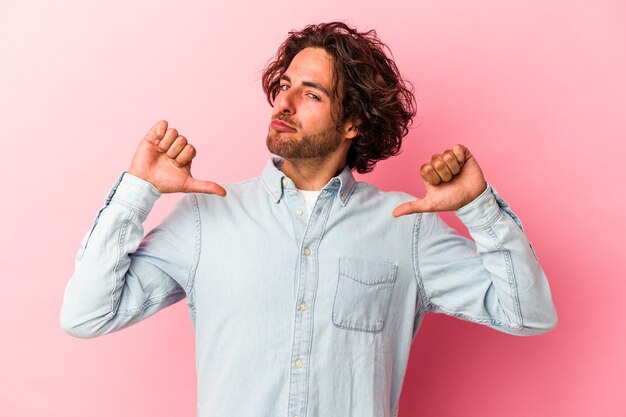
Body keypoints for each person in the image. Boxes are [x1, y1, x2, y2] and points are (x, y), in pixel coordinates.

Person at [60, 21, 557, 417]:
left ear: (352, 122)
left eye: (312, 94)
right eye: (284, 86)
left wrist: (479, 208)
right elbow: (86, 316)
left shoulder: (408, 226)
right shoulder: (205, 217)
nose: (285, 102)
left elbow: (529, 315)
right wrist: (138, 191)